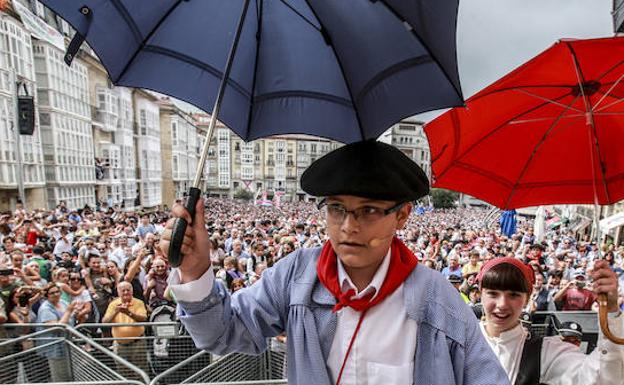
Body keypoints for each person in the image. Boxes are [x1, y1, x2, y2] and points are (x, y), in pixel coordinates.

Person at [162, 140, 508, 385]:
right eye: (336, 208)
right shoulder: (296, 276)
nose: (348, 227)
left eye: (369, 210)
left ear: (402, 216)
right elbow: (221, 334)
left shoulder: (438, 299)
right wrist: (195, 270)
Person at [477, 257, 623, 385]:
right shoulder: (460, 343)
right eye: (493, 294)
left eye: (513, 295)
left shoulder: (545, 351)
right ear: (480, 293)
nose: (502, 304)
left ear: (527, 299)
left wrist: (610, 311)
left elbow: (601, 379)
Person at [102, 281, 148, 375]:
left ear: (132, 291)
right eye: (123, 290)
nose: (126, 292)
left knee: (141, 371)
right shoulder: (113, 304)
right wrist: (116, 311)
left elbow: (143, 319)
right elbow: (105, 322)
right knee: (123, 371)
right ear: (118, 292)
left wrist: (128, 313)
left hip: (137, 343)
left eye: (128, 290)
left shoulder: (138, 302)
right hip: (119, 345)